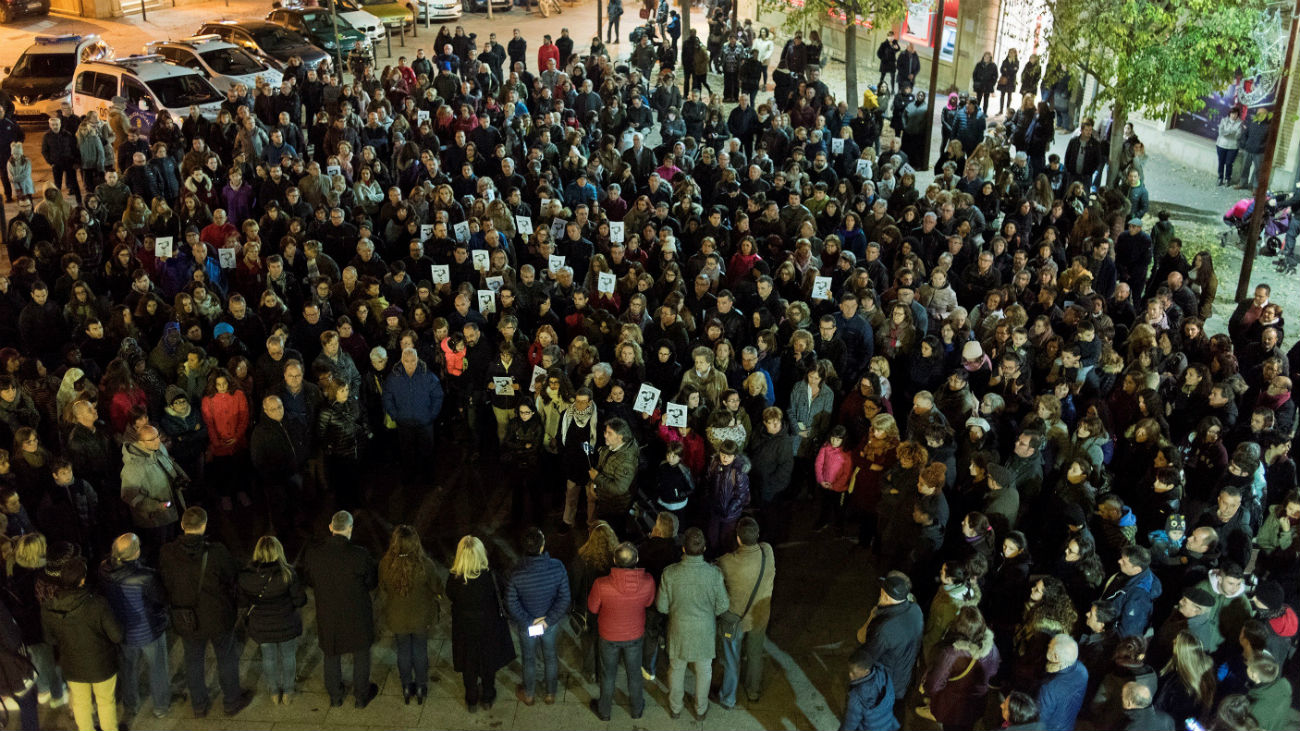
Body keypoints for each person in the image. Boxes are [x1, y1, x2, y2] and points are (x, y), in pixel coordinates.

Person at [158, 507, 251, 718]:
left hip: (186, 618)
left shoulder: (167, 552)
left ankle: (199, 705)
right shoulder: (216, 551)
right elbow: (231, 576)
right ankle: (231, 701)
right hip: (218, 615)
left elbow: (165, 581)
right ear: (204, 525)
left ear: (182, 526)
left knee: (192, 660)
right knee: (226, 656)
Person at [301, 510, 379, 708]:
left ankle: (335, 695)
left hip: (328, 612)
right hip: (356, 613)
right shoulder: (359, 555)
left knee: (331, 653)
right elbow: (371, 583)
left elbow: (309, 580)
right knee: (361, 653)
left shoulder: (314, 554)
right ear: (350, 529)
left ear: (331, 527)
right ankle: (361, 696)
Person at [36, 553, 121, 731]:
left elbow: (50, 639)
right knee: (105, 702)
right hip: (101, 665)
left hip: (72, 665)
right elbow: (117, 636)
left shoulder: (48, 606)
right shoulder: (97, 604)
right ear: (82, 580)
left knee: (81, 705)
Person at [656, 526, 729, 720]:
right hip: (704, 631)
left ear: (683, 549)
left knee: (677, 669)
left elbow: (662, 607)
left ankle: (675, 707)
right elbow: (723, 606)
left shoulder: (669, 574)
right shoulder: (714, 574)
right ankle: (700, 709)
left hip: (678, 630)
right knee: (704, 670)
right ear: (704, 549)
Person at [98, 532, 173, 720]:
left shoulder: (104, 571)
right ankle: (161, 706)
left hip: (122, 632)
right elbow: (160, 599)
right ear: (135, 553)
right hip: (149, 632)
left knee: (128, 670)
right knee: (157, 668)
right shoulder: (146, 576)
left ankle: (131, 705)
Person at [586, 540, 655, 721]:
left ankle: (605, 711)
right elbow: (648, 603)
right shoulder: (648, 581)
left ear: (615, 561)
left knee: (608, 675)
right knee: (634, 674)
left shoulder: (601, 584)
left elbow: (593, 608)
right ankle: (637, 709)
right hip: (635, 635)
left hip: (608, 635)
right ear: (637, 559)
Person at [446, 535, 515, 712]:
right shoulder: (490, 578)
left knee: (469, 664)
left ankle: (471, 698)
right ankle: (488, 696)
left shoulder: (454, 579)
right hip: (488, 628)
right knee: (487, 663)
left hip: (464, 629)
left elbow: (450, 596)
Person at [238, 535, 307, 705]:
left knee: (268, 658)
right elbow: (300, 600)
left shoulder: (247, 577)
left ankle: (274, 692)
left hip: (262, 625)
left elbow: (242, 602)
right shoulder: (287, 573)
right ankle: (288, 692)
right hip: (286, 624)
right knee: (288, 656)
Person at [506, 527, 570, 706]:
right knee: (550, 657)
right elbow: (564, 597)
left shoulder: (517, 572)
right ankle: (550, 694)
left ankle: (529, 694)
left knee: (528, 659)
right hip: (549, 624)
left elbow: (511, 602)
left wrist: (529, 621)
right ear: (542, 547)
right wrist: (547, 621)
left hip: (528, 626)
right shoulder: (557, 567)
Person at [716, 516, 775, 707]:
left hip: (736, 619)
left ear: (738, 538)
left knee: (732, 659)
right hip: (760, 614)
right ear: (758, 535)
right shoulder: (767, 551)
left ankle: (728, 697)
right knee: (755, 654)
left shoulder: (726, 562)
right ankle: (753, 691)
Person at [378, 524, 440, 705]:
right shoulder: (425, 565)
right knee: (420, 650)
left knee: (403, 651)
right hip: (420, 618)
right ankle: (421, 687)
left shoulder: (385, 564)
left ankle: (406, 686)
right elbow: (437, 587)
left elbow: (382, 587)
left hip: (397, 618)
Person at [856, 571, 924, 702]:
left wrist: (873, 615)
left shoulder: (883, 627)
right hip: (903, 677)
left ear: (885, 595)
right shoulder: (916, 610)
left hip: (885, 683)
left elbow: (864, 646)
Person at [382, 347, 444, 486]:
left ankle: (428, 478)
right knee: (406, 453)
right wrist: (395, 415)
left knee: (427, 452)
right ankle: (409, 478)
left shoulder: (427, 376)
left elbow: (438, 396)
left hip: (424, 422)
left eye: (413, 361)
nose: (410, 364)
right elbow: (387, 398)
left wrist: (431, 415)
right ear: (401, 361)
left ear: (417, 360)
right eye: (407, 361)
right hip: (404, 423)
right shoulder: (393, 378)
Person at [119, 424, 185, 551]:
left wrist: (181, 476)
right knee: (161, 547)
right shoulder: (133, 467)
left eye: (157, 436)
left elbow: (170, 462)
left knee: (173, 542)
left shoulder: (158, 448)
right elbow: (129, 495)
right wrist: (156, 506)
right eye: (152, 439)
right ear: (140, 442)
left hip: (171, 509)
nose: (158, 441)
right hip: (155, 518)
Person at [840, 644, 900, 731]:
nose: (850, 675)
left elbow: (850, 723)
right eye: (849, 671)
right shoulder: (883, 673)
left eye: (853, 672)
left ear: (866, 672)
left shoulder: (856, 697)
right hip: (887, 723)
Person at [1037, 634, 1088, 731]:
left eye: (1049, 646)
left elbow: (1041, 719)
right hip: (1068, 725)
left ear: (1055, 657)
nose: (1048, 645)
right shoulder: (1082, 670)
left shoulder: (1049, 687)